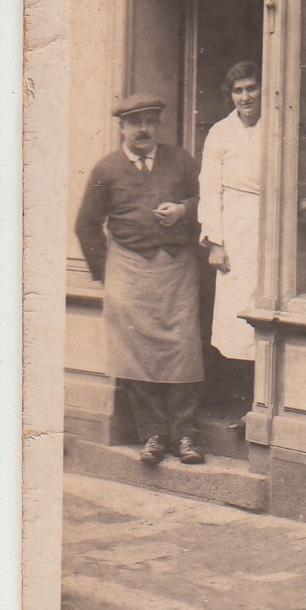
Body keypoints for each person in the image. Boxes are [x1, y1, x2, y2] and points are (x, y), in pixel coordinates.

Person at [75, 93, 205, 465]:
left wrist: (184, 209)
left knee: (183, 351)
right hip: (128, 271)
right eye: (135, 123)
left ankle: (186, 437)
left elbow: (210, 198)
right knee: (137, 355)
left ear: (159, 125)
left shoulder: (180, 160)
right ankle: (152, 435)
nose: (143, 129)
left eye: (150, 121)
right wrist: (107, 275)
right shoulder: (107, 169)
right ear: (122, 127)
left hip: (176, 268)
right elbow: (86, 226)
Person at [198, 63, 263, 423]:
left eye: (251, 88)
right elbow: (210, 188)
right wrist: (216, 242)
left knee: (266, 312)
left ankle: (262, 406)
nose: (246, 97)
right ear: (231, 95)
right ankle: (241, 403)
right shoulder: (220, 133)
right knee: (237, 320)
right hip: (234, 230)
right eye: (238, 91)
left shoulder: (277, 126)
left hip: (268, 228)